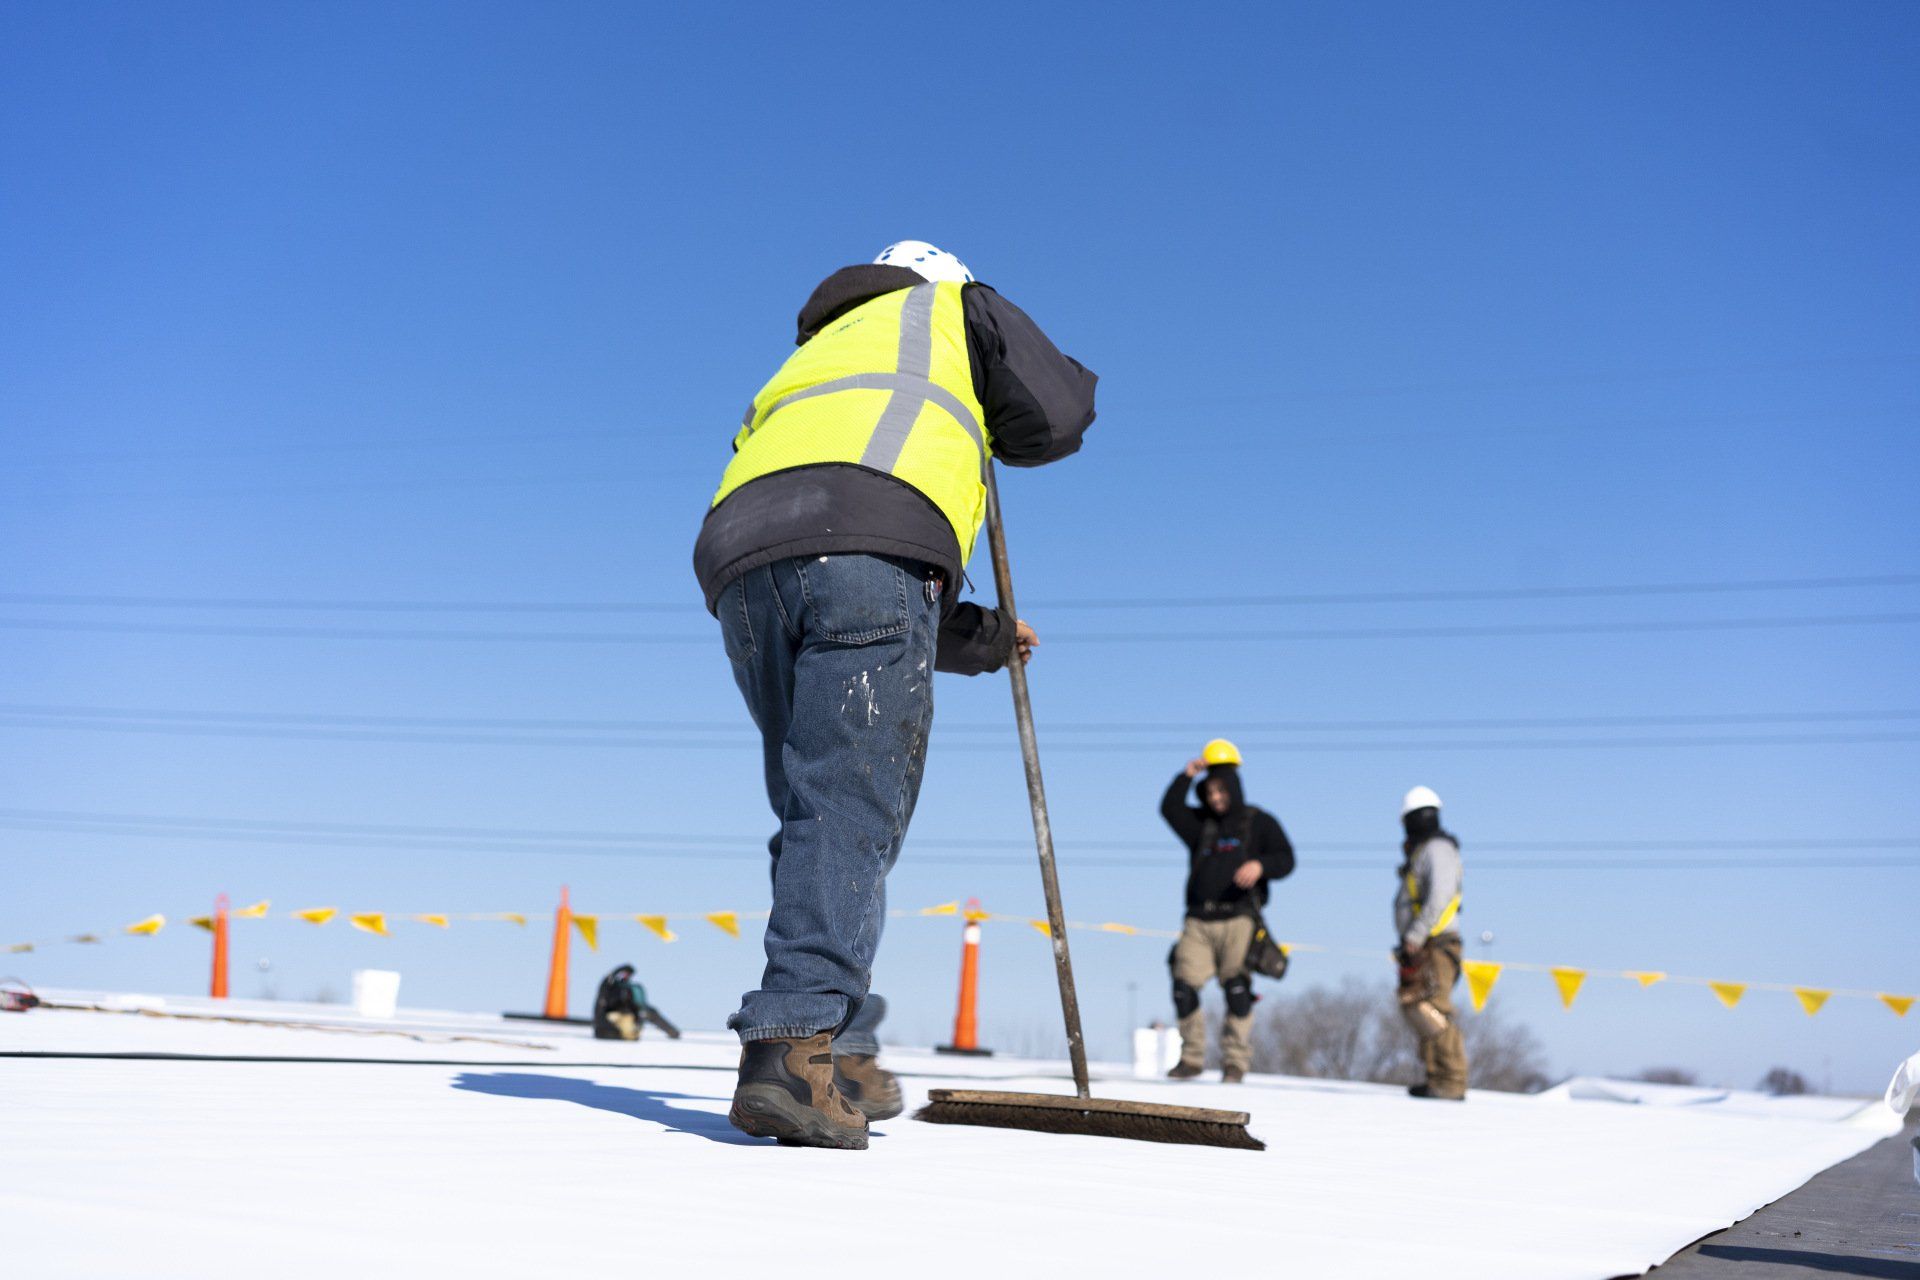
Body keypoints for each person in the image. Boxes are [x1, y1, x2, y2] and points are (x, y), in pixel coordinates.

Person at [694, 240, 1097, 1149]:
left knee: (819, 807)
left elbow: (839, 553)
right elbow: (1059, 416)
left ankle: (844, 1045)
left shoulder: (823, 348)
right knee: (847, 808)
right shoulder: (953, 308)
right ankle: (795, 1048)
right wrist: (992, 407)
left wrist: (984, 638)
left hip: (744, 559)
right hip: (869, 546)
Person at [1159, 739, 1296, 1083]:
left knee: (1236, 987)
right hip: (1199, 919)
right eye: (1211, 792)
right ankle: (1191, 1058)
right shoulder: (1201, 825)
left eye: (1222, 791)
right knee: (1183, 986)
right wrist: (1186, 776)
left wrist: (1260, 865)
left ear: (1233, 788)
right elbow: (1169, 809)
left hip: (1239, 918)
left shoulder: (1259, 822)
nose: (1216, 798)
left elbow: (1287, 859)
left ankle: (1235, 1062)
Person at [1394, 785, 1469, 1100]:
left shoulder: (1437, 849)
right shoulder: (1423, 851)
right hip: (1422, 944)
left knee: (1433, 1008)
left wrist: (1415, 934)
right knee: (1414, 1006)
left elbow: (1440, 896)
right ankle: (1435, 1076)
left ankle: (1450, 1081)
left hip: (1435, 943)